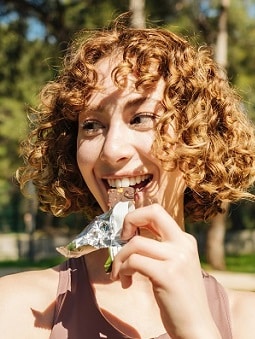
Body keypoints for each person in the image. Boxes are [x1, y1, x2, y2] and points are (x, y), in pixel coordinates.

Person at [1, 14, 255, 339]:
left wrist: (197, 331)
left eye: (141, 118)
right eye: (92, 125)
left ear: (197, 139)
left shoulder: (246, 321)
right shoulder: (16, 311)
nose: (111, 150)